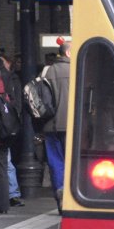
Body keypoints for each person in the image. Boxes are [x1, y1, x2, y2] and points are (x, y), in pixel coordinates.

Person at [42, 41, 71, 209]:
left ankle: (60, 196)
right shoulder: (76, 69)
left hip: (50, 125)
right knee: (72, 163)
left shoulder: (47, 71)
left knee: (56, 163)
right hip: (71, 126)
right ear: (68, 53)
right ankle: (71, 200)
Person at [0, 43, 22, 213]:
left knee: (3, 163)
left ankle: (6, 198)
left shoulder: (0, 75)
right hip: (4, 129)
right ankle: (5, 200)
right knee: (4, 164)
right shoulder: (6, 77)